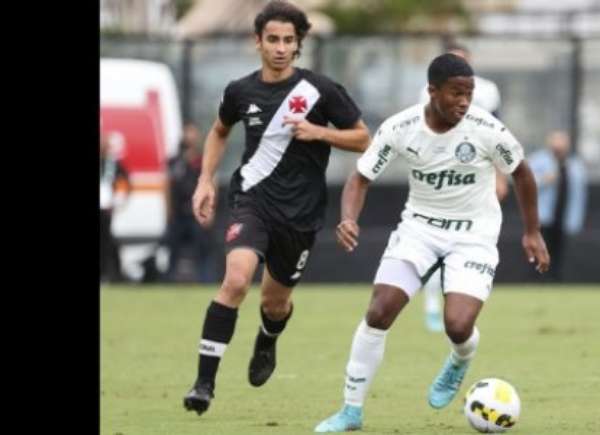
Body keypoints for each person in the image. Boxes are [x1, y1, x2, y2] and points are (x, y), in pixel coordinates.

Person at [314, 53, 549, 432]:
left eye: (469, 93)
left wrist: (532, 231)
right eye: (456, 92)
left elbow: (522, 174)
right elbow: (359, 178)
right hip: (419, 230)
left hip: (474, 235)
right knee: (379, 311)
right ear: (432, 91)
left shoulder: (486, 128)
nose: (464, 101)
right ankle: (351, 411)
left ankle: (459, 358)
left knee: (457, 325)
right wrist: (348, 219)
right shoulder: (401, 127)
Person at [183, 0, 370, 416]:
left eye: (289, 40)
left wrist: (318, 131)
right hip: (252, 201)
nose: (281, 47)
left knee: (275, 303)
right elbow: (218, 132)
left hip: (301, 216)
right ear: (258, 42)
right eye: (273, 39)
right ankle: (204, 383)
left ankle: (267, 338)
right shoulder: (239, 91)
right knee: (235, 281)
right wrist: (205, 180)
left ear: (298, 44)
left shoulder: (320, 90)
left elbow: (362, 138)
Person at [418, 42, 509, 332]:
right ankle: (433, 305)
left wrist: (500, 175)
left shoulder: (487, 91)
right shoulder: (427, 92)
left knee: (474, 241)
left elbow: (499, 134)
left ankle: (465, 302)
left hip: (477, 176)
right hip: (443, 175)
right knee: (435, 241)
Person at [528, 130, 587, 281]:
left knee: (560, 252)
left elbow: (579, 195)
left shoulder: (575, 165)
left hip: (564, 216)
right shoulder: (538, 160)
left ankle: (556, 281)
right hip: (543, 217)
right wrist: (543, 180)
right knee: (540, 251)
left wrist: (576, 218)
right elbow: (525, 183)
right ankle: (537, 281)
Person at [164, 123, 214, 283]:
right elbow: (167, 186)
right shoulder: (174, 161)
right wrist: (168, 211)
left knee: (203, 249)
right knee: (173, 248)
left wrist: (209, 210)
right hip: (179, 212)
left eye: (193, 133)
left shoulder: (204, 160)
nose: (190, 137)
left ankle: (205, 280)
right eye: (187, 133)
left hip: (197, 212)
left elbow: (212, 184)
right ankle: (169, 281)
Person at [100, 132, 131, 283]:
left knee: (105, 241)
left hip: (105, 208)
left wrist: (118, 201)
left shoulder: (113, 164)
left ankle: (107, 273)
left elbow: (125, 183)